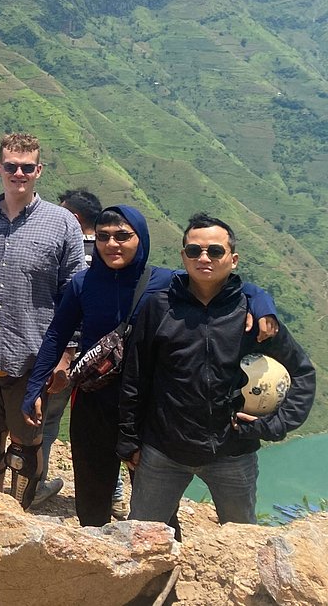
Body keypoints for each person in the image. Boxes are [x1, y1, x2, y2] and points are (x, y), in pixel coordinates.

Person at [23, 206, 278, 526]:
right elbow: (56, 335)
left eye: (122, 236)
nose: (112, 244)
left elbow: (225, 285)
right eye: (103, 236)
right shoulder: (83, 283)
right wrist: (35, 387)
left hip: (150, 408)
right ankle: (98, 555)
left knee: (157, 508)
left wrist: (262, 302)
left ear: (140, 238)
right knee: (91, 496)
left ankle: (161, 555)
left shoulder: (166, 281)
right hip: (94, 404)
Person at [118, 213, 315, 526]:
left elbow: (302, 373)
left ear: (233, 259)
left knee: (243, 540)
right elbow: (136, 378)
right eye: (194, 251)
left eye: (215, 251)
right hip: (164, 452)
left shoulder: (253, 316)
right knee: (142, 536)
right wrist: (129, 439)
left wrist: (273, 426)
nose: (204, 258)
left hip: (233, 453)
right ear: (183, 256)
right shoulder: (160, 308)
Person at [0, 132, 85, 509]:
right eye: (11, 166)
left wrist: (66, 357)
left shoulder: (62, 224)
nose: (18, 174)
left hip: (32, 357)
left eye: (26, 167)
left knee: (25, 448)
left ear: (39, 170)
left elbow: (74, 294)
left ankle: (20, 513)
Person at [33, 188, 104, 506]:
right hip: (103, 357)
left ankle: (35, 484)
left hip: (64, 350)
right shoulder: (110, 253)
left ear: (73, 218)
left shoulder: (63, 251)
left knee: (48, 420)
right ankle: (114, 494)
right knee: (100, 422)